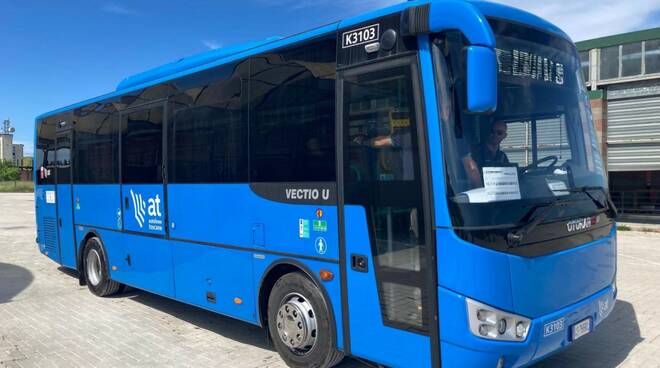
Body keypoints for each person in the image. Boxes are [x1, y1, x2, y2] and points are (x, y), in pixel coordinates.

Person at [463, 120, 510, 188]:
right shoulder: (475, 152)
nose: (495, 135)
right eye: (492, 131)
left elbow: (508, 177)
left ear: (505, 136)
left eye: (499, 133)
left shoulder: (502, 156)